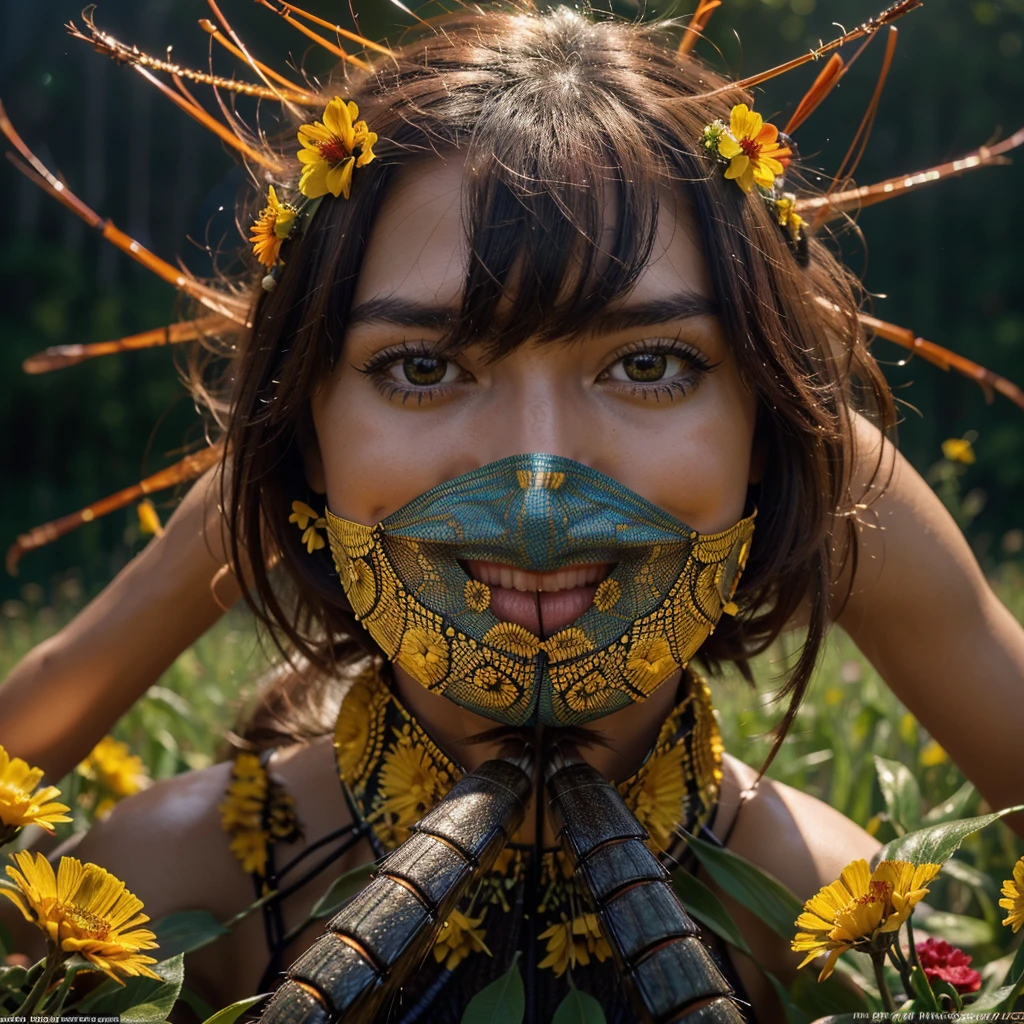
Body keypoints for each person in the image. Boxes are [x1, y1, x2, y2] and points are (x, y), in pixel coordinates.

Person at [2, 5, 1023, 1022]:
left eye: (648, 364)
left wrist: (865, 520)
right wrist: (191, 561)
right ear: (306, 431)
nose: (537, 489)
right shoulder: (168, 897)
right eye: (422, 367)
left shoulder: (841, 931)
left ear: (766, 424)